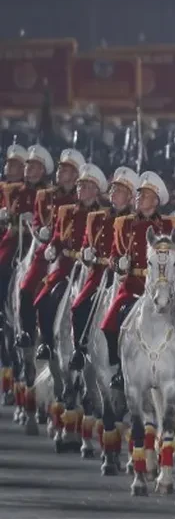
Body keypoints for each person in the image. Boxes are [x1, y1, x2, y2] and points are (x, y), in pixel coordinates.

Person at [99, 172, 175, 388]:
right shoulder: (123, 223)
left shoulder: (170, 224)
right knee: (111, 322)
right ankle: (121, 368)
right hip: (134, 284)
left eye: (145, 195)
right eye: (138, 195)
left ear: (156, 201)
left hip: (166, 286)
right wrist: (118, 263)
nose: (139, 198)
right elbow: (114, 254)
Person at [32, 163, 107, 359]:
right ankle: (47, 343)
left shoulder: (104, 215)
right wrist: (53, 248)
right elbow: (57, 237)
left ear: (96, 190)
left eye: (87, 186)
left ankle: (85, 347)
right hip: (67, 266)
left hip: (91, 268)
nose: (81, 189)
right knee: (44, 298)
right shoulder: (66, 211)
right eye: (80, 185)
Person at [69, 167, 137, 369]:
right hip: (99, 274)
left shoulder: (136, 221)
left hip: (126, 276)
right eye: (113, 190)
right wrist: (86, 254)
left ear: (130, 197)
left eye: (120, 191)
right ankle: (79, 350)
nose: (114, 194)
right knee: (78, 307)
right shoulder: (97, 218)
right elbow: (84, 244)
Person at [18, 148, 83, 349]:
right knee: (26, 287)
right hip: (47, 251)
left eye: (65, 169)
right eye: (60, 168)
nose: (60, 172)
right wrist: (40, 232)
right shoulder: (45, 196)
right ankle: (27, 332)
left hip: (70, 256)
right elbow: (37, 223)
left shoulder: (80, 200)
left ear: (75, 175)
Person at [0, 145, 47, 323]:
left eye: (33, 167)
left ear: (42, 171)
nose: (28, 170)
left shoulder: (46, 194)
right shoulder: (15, 191)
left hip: (35, 243)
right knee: (3, 266)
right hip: (14, 240)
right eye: (27, 166)